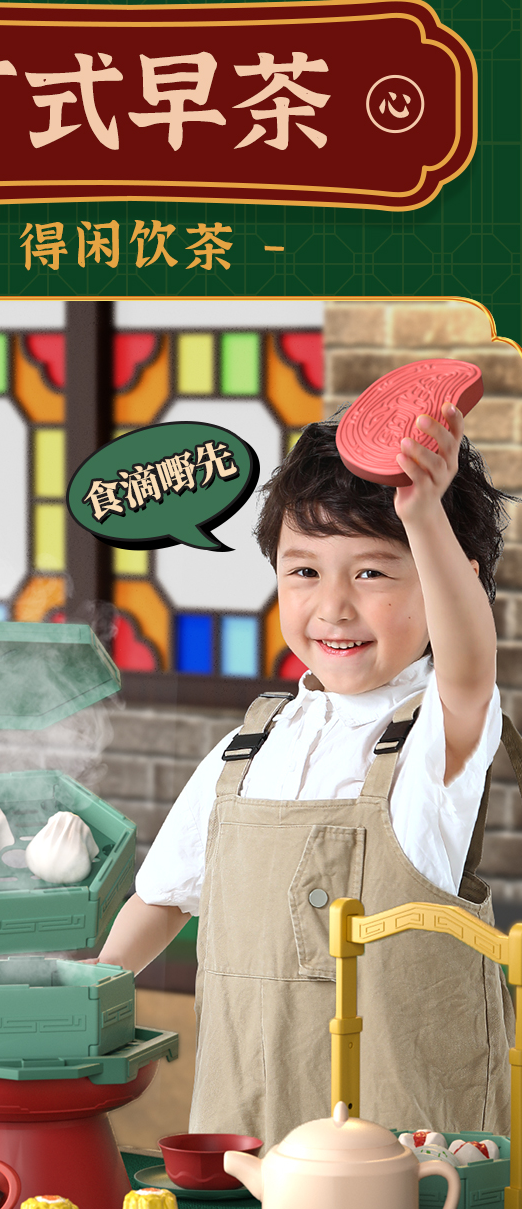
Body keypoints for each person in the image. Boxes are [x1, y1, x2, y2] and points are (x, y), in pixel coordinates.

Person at [95, 403, 519, 1146]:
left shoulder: (441, 738)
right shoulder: (249, 745)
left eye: (372, 571)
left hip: (403, 1147)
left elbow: (468, 670)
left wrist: (425, 518)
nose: (333, 607)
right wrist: (89, 992)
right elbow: (163, 897)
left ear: (450, 580)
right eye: (304, 571)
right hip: (246, 1126)